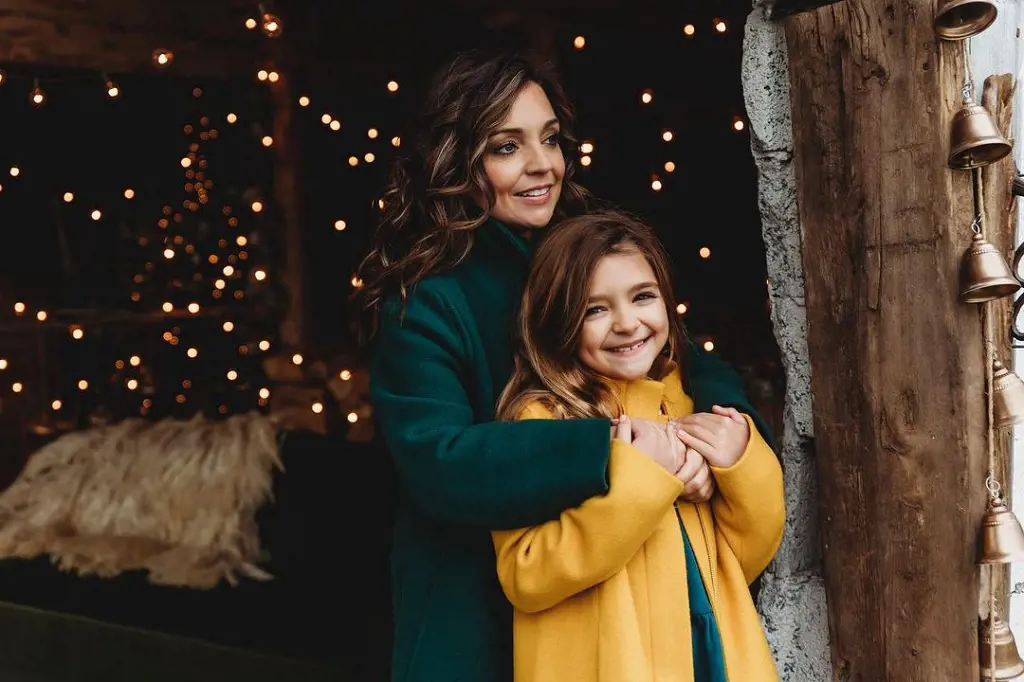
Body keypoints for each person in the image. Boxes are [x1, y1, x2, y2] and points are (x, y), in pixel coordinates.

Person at [357, 49, 774, 682]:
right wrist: (611, 450)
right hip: (472, 593)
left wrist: (713, 436)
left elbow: (682, 356)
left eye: (550, 139)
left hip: (614, 577)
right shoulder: (425, 300)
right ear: (455, 160)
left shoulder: (582, 244)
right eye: (506, 146)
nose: (542, 165)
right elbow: (438, 462)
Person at [492, 209, 785, 682]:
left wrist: (742, 462)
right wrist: (642, 481)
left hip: (706, 652)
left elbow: (747, 553)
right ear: (556, 320)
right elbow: (525, 575)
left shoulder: (685, 402)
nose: (627, 323)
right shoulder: (539, 422)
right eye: (595, 309)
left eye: (643, 297)